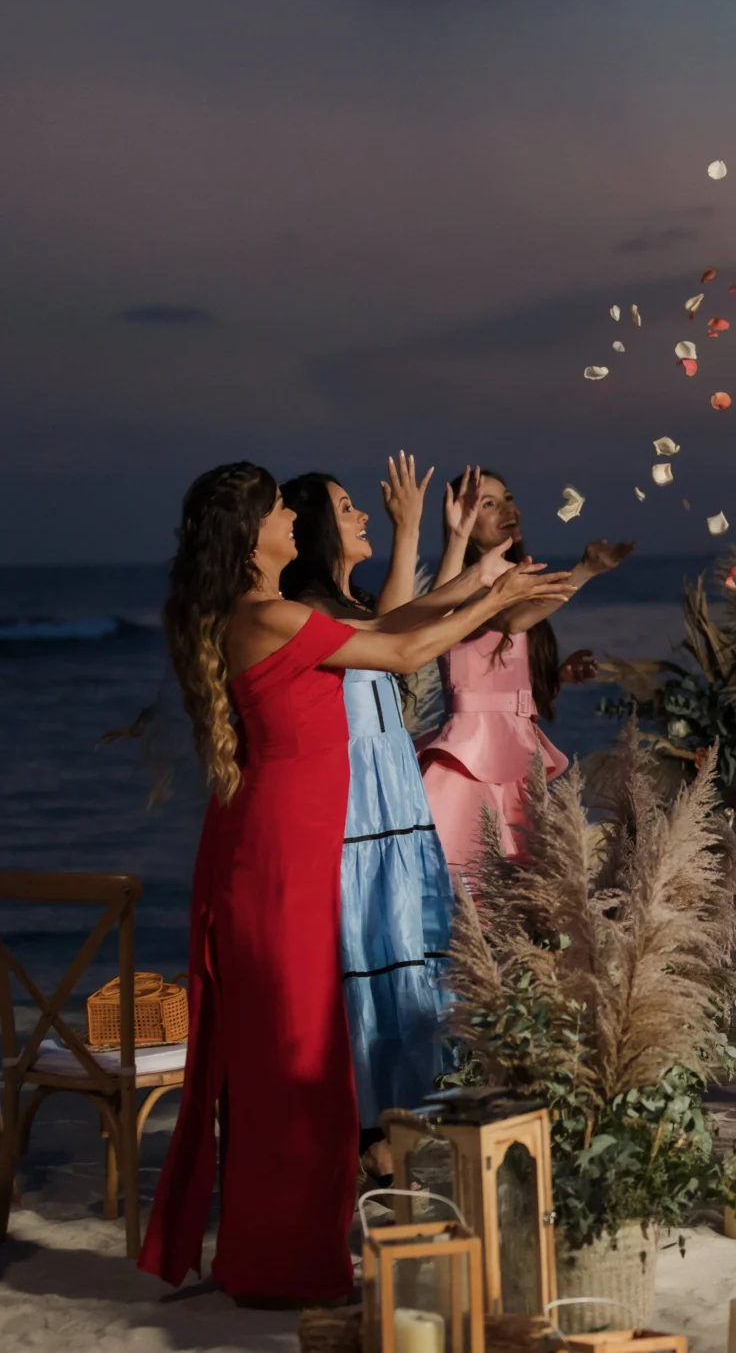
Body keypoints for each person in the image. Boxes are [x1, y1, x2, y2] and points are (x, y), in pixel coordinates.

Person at [143, 462, 571, 1305]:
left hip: (291, 843)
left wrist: (482, 578)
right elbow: (407, 649)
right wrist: (491, 602)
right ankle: (283, 1257)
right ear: (249, 537)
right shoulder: (265, 615)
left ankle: (288, 1247)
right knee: (296, 1058)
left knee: (305, 1054)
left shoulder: (274, 614)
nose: (292, 522)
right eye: (277, 511)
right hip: (285, 852)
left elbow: (391, 626)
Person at [278, 455, 517, 1174]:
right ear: (320, 531)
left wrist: (438, 540)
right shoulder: (313, 617)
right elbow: (406, 638)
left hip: (396, 812)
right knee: (373, 966)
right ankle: (369, 1136)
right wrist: (431, 544)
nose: (358, 515)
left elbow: (407, 621)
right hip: (359, 820)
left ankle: (408, 1126)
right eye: (345, 507)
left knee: (413, 965)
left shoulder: (346, 612)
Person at [418, 467, 631, 877]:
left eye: (509, 498)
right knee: (471, 887)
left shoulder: (515, 579)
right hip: (470, 758)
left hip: (514, 752)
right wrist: (584, 570)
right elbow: (510, 620)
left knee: (519, 895)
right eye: (489, 503)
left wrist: (556, 677)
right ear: (461, 519)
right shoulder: (466, 583)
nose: (507, 509)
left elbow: (498, 671)